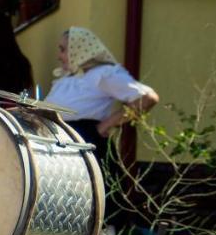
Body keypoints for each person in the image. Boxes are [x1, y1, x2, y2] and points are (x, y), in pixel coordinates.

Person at [45, 26, 158, 163]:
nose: (59, 56)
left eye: (63, 50)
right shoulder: (70, 77)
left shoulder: (102, 74)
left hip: (85, 143)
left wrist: (105, 126)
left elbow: (147, 98)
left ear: (79, 49)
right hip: (61, 143)